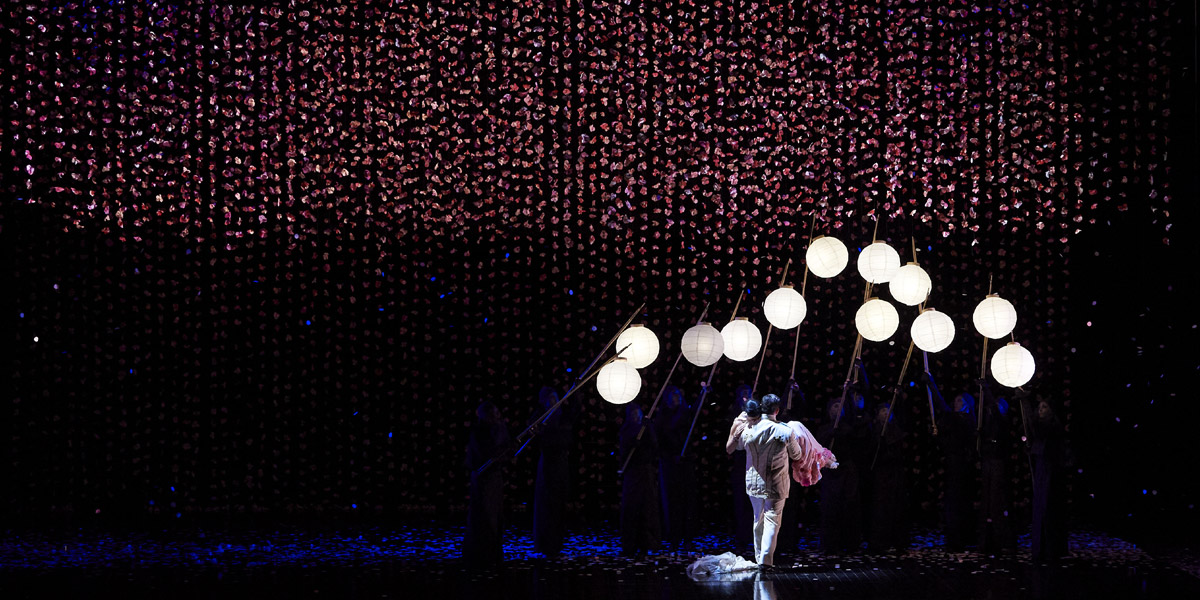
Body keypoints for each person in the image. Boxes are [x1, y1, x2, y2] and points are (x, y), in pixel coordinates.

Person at [726, 394, 803, 568]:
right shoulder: (785, 430)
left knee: (758, 519)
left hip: (754, 483)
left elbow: (734, 447)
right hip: (776, 483)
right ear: (777, 410)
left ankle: (760, 558)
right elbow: (796, 454)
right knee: (772, 520)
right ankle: (765, 562)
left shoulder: (749, 429)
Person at [814, 393, 868, 554]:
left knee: (849, 505)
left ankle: (850, 542)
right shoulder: (824, 429)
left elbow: (857, 440)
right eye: (834, 406)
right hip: (831, 472)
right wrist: (831, 433)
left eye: (840, 406)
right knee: (831, 506)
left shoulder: (849, 427)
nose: (837, 409)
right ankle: (831, 543)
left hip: (847, 471)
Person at [928, 373, 977, 551]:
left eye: (959, 401)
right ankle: (954, 538)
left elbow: (943, 408)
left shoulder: (966, 420)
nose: (955, 403)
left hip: (962, 467)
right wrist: (938, 435)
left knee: (958, 502)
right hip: (953, 465)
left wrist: (932, 384)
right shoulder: (955, 420)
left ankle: (960, 538)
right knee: (952, 502)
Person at [531, 386, 579, 557]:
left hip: (561, 463)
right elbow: (534, 433)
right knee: (546, 503)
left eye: (555, 398)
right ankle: (545, 542)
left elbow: (574, 411)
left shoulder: (563, 416)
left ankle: (557, 542)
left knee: (559, 503)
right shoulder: (541, 417)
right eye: (550, 399)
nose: (553, 402)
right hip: (548, 464)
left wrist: (574, 393)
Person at [464, 401, 511, 567]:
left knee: (493, 514)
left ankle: (490, 549)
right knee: (485, 514)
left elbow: (503, 450)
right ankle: (484, 550)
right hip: (484, 477)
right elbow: (486, 452)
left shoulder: (494, 429)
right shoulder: (481, 431)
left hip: (492, 476)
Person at [1027, 395, 1070, 562]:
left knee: (1048, 507)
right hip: (1043, 469)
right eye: (1039, 407)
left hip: (1050, 472)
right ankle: (1043, 547)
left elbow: (1040, 432)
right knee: (1041, 506)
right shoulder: (1043, 427)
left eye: (1044, 407)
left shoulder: (1052, 426)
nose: (1040, 410)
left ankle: (1050, 547)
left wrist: (1025, 404)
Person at [656, 385, 698, 548]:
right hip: (669, 463)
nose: (677, 398)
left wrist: (703, 394)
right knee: (672, 501)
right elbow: (661, 440)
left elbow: (695, 412)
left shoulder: (686, 414)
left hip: (685, 461)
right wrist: (671, 455)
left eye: (679, 395)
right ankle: (674, 535)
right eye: (674, 395)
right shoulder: (663, 417)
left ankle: (687, 536)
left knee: (687, 499)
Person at [619, 403, 661, 555]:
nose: (636, 417)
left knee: (647, 507)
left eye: (638, 413)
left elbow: (654, 447)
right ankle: (631, 543)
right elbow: (624, 453)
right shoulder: (625, 430)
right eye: (633, 414)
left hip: (646, 472)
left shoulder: (646, 429)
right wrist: (632, 443)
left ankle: (648, 542)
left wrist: (648, 429)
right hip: (633, 473)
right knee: (632, 508)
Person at [978, 384, 1016, 554]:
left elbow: (998, 414)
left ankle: (1001, 539)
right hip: (988, 460)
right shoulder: (987, 423)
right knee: (987, 499)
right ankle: (986, 539)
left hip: (998, 462)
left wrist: (986, 389)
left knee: (995, 500)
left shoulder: (1004, 422)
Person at [867, 400, 908, 552]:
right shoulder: (874, 430)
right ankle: (880, 540)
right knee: (881, 506)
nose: (886, 413)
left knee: (895, 505)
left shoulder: (896, 430)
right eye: (882, 411)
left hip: (894, 472)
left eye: (888, 410)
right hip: (881, 472)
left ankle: (897, 540)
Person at [728, 384, 755, 548]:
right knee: (741, 500)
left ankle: (753, 534)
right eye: (743, 394)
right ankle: (742, 534)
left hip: (754, 462)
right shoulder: (736, 415)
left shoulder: (758, 415)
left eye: (748, 393)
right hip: (740, 463)